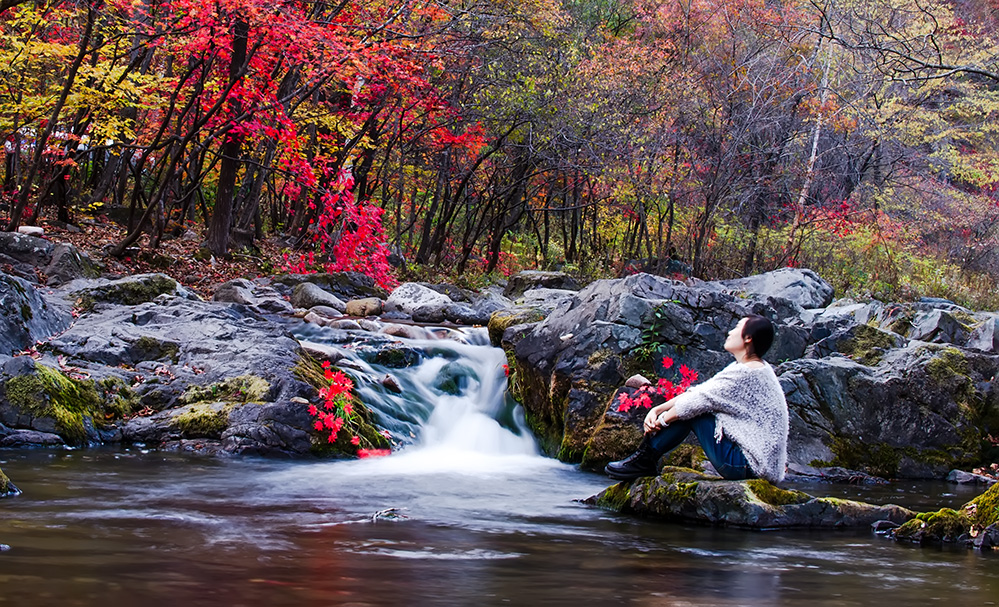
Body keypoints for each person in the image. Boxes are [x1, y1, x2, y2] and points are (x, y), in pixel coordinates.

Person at [605, 314, 788, 483]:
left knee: (695, 412)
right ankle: (644, 458)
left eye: (737, 327)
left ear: (748, 338)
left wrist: (659, 422)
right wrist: (657, 409)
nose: (730, 331)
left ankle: (644, 459)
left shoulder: (746, 373)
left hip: (746, 467)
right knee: (694, 406)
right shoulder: (756, 368)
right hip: (757, 467)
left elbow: (696, 402)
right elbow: (701, 392)